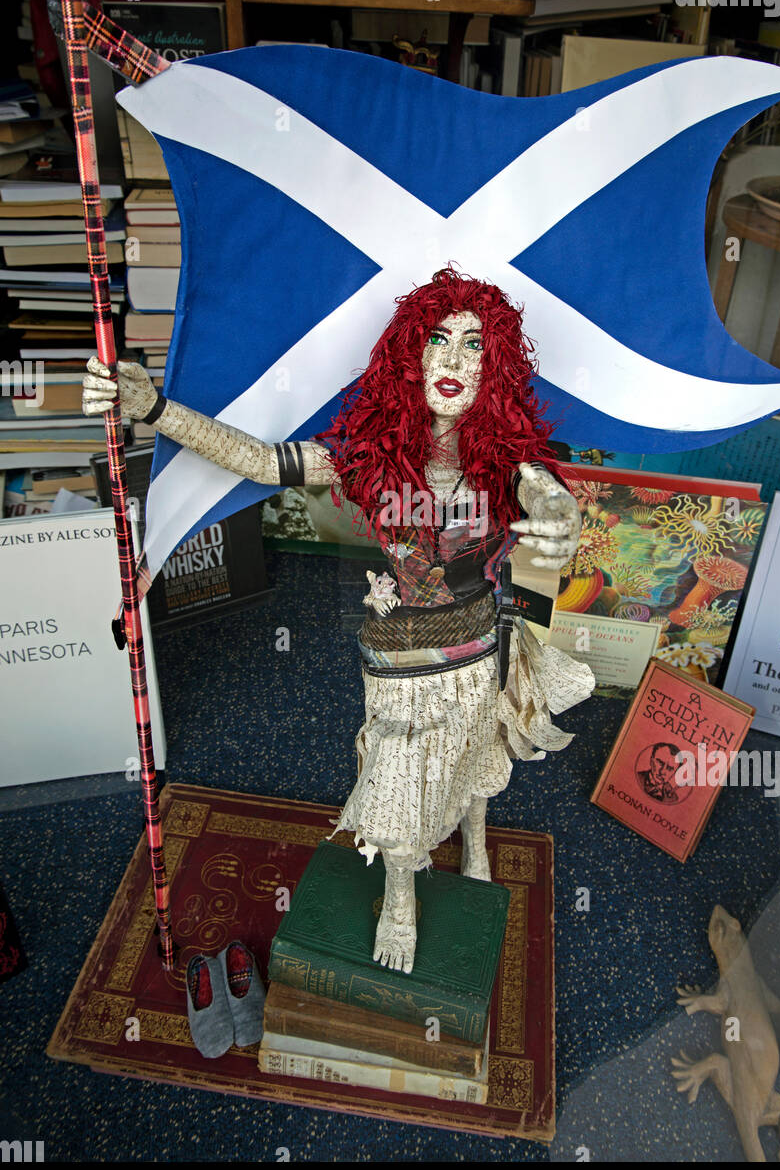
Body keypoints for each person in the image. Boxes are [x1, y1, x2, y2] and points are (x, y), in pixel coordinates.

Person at [83, 268, 593, 974]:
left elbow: (548, 496)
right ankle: (400, 897)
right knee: (397, 774)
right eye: (437, 340)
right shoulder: (365, 458)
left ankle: (476, 844)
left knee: (479, 745)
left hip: (478, 643)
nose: (450, 361)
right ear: (407, 356)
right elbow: (261, 462)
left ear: (497, 365)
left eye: (472, 345)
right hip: (395, 656)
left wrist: (562, 521)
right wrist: (156, 409)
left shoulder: (509, 462)